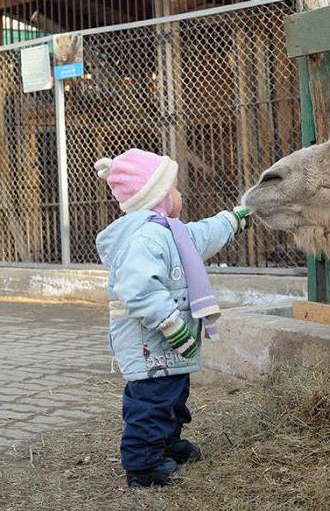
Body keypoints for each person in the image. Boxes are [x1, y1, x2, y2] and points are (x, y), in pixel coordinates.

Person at [94, 148, 251, 488]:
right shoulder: (145, 238)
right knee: (151, 400)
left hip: (167, 343)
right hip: (150, 340)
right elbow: (139, 289)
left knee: (173, 395)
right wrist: (171, 326)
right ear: (160, 197)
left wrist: (234, 219)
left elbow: (201, 235)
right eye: (175, 188)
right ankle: (143, 464)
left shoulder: (170, 232)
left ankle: (166, 443)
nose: (180, 194)